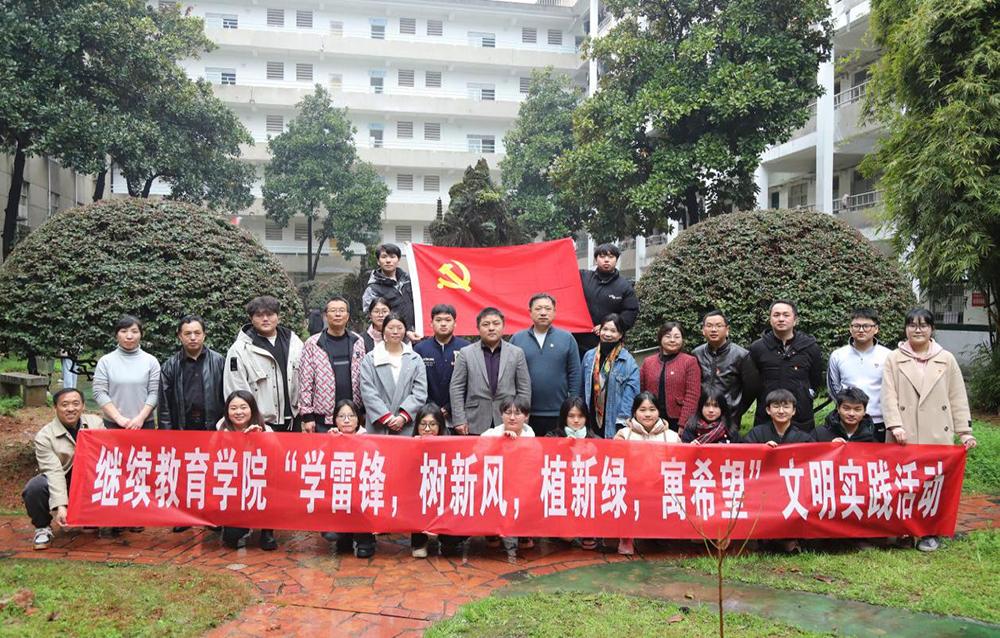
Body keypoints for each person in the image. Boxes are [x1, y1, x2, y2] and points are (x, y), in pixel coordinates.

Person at [882, 308, 976, 552]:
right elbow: (888, 394)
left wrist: (964, 431)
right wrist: (895, 424)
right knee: (904, 483)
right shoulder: (894, 358)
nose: (918, 329)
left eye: (923, 325)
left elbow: (957, 396)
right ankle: (903, 530)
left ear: (932, 329)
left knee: (934, 484)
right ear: (905, 329)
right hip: (904, 431)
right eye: (912, 325)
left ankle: (929, 532)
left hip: (937, 432)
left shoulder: (946, 358)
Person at [22, 388, 104, 550]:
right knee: (35, 488)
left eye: (76, 403)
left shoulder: (96, 423)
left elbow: (107, 455)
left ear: (83, 406)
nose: (71, 409)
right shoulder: (45, 436)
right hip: (63, 479)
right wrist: (61, 506)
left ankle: (90, 516)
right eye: (65, 405)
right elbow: (54, 472)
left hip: (90, 478)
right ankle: (42, 528)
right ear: (55, 407)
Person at [614, 392, 681, 555]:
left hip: (661, 486)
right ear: (634, 412)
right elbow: (615, 463)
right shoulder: (624, 435)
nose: (648, 414)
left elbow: (680, 465)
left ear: (659, 411)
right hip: (632, 486)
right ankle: (626, 537)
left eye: (652, 409)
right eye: (642, 410)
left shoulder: (672, 437)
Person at [224, 296, 303, 432]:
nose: (265, 319)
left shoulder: (294, 342)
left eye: (270, 314)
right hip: (259, 425)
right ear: (251, 318)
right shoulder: (240, 350)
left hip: (293, 420)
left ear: (278, 316)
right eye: (259, 315)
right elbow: (235, 390)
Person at [450, 308, 532, 435]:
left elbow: (524, 388)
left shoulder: (516, 353)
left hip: (509, 419)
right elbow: (457, 387)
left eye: (496, 323)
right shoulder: (466, 353)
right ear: (478, 328)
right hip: (475, 420)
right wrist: (459, 419)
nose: (491, 328)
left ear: (503, 326)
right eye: (486, 324)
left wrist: (523, 417)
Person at [510, 293, 582, 436]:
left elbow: (574, 373)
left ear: (554, 312)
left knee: (557, 449)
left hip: (559, 411)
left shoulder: (567, 338)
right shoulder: (517, 339)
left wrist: (572, 406)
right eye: (538, 309)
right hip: (525, 412)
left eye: (548, 309)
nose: (543, 313)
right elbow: (510, 374)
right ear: (530, 312)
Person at [749, 300, 824, 431]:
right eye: (776, 315)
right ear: (770, 319)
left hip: (801, 416)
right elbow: (752, 382)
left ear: (795, 320)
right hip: (766, 417)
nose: (781, 319)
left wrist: (804, 394)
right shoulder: (758, 348)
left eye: (786, 315)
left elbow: (815, 379)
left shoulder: (810, 347)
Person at [216, 390, 277, 551]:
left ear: (252, 409)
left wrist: (260, 440)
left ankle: (267, 531)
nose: (238, 412)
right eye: (233, 408)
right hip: (233, 489)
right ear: (227, 411)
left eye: (243, 407)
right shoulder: (221, 431)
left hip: (260, 485)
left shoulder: (266, 430)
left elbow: (278, 458)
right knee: (231, 538)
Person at [298, 296, 366, 433]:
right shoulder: (313, 343)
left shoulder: (358, 341)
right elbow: (305, 380)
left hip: (352, 418)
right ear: (325, 315)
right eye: (333, 311)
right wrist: (307, 415)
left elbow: (365, 377)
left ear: (347, 316)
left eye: (341, 310)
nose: (338, 314)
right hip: (323, 419)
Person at [321, 400, 377, 558]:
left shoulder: (368, 440)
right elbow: (319, 467)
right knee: (331, 533)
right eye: (341, 416)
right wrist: (329, 443)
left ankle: (365, 539)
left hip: (362, 496)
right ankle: (344, 536)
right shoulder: (330, 438)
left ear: (358, 419)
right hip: (340, 496)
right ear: (335, 420)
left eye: (351, 416)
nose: (346, 420)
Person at [482, 397, 535, 560]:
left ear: (526, 416)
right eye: (507, 412)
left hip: (521, 489)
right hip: (496, 487)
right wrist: (501, 442)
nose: (512, 417)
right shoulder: (491, 434)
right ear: (501, 415)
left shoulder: (532, 437)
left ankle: (524, 533)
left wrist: (516, 443)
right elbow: (476, 452)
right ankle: (492, 531)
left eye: (517, 413)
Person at [827, 308, 891, 442]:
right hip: (847, 422)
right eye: (856, 326)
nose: (861, 330)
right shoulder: (838, 355)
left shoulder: (888, 356)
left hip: (878, 421)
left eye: (866, 326)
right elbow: (833, 387)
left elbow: (892, 389)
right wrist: (846, 410)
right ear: (850, 329)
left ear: (876, 329)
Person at [409, 403, 464, 558]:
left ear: (440, 426)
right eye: (423, 424)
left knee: (450, 545)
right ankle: (419, 542)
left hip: (445, 495)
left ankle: (446, 538)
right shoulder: (408, 444)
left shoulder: (451, 444)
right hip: (421, 495)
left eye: (433, 424)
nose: (427, 429)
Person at [360, 313, 428, 436]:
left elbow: (420, 392)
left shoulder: (415, 359)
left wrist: (403, 417)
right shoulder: (370, 359)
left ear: (405, 331)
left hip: (406, 424)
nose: (395, 332)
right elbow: (367, 392)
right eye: (391, 328)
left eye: (400, 328)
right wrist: (386, 417)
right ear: (383, 330)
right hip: (379, 425)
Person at [158, 315, 225, 431]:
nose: (193, 337)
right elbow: (164, 407)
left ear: (204, 335)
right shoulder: (170, 366)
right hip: (181, 430)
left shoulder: (219, 362)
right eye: (187, 333)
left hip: (213, 428)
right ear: (180, 336)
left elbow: (227, 397)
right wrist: (166, 434)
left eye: (197, 333)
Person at [93, 315, 160, 430]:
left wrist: (141, 418)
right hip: (112, 424)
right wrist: (119, 418)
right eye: (124, 331)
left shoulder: (151, 361)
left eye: (134, 331)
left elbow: (155, 393)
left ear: (141, 334)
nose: (129, 336)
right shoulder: (105, 361)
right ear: (116, 335)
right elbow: (99, 392)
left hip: (144, 424)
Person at [692, 310, 759, 427]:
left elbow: (751, 389)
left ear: (727, 329)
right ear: (703, 330)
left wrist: (737, 410)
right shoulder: (697, 354)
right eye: (709, 326)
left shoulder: (741, 355)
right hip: (701, 416)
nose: (713, 330)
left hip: (729, 417)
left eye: (718, 326)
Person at [580, 314, 640, 438]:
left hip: (613, 421)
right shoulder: (589, 356)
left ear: (620, 334)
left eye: (613, 331)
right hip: (590, 418)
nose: (607, 334)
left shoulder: (628, 361)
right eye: (605, 329)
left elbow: (631, 395)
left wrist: (622, 422)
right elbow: (582, 387)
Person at [575, 243, 640, 357]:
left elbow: (631, 311)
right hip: (578, 342)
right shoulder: (583, 277)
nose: (606, 260)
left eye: (610, 257)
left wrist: (608, 326)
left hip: (608, 344)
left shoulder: (624, 286)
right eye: (602, 256)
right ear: (596, 259)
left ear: (616, 260)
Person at [413, 305, 470, 430]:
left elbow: (469, 383)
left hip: (458, 416)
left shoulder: (466, 348)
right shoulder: (420, 349)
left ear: (455, 323)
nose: (443, 324)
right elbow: (415, 383)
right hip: (426, 415)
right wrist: (432, 408)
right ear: (431, 323)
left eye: (448, 320)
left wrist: (449, 407)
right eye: (438, 320)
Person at [639, 321, 700, 433]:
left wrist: (684, 423)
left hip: (677, 420)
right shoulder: (648, 362)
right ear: (660, 338)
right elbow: (641, 390)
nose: (672, 340)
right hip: (651, 418)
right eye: (668, 336)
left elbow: (692, 395)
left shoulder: (689, 361)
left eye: (677, 337)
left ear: (682, 339)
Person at [361, 243, 417, 340]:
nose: (388, 260)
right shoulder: (373, 289)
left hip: (415, 335)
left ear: (398, 260)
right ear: (378, 261)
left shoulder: (410, 281)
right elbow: (372, 317)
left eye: (392, 257)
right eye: (384, 257)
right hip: (389, 338)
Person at [742, 389, 815, 446]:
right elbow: (744, 453)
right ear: (768, 410)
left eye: (786, 407)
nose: (781, 411)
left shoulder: (803, 438)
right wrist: (762, 449)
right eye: (776, 406)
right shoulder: (756, 434)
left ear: (793, 411)